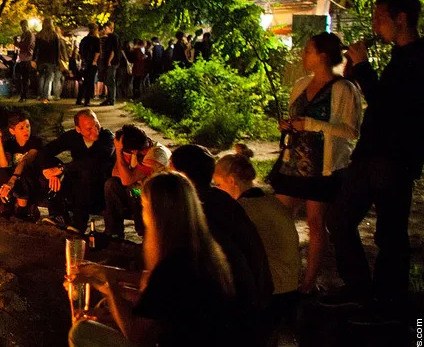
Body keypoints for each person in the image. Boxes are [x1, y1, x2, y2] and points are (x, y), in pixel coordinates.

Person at [70, 171, 235, 347]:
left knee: (82, 334)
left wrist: (109, 286)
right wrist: (106, 285)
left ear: (158, 213)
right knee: (99, 313)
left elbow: (135, 333)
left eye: (144, 205)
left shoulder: (173, 267)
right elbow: (153, 295)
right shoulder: (198, 248)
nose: (141, 211)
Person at [326, 0, 424, 315]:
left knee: (390, 232)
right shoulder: (400, 56)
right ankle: (360, 289)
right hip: (372, 154)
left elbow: (389, 106)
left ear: (401, 19)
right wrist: (356, 66)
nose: (374, 25)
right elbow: (373, 94)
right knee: (340, 218)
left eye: (378, 18)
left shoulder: (421, 58)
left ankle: (388, 301)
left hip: (395, 158)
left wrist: (367, 67)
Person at [269, 32, 363, 294]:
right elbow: (295, 117)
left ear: (323, 56)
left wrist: (310, 125)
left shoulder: (344, 88)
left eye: (308, 51)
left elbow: (350, 130)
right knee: (278, 218)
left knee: (315, 222)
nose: (303, 55)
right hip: (293, 163)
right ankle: (281, 274)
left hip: (324, 167)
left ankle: (308, 283)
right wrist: (288, 126)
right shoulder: (301, 85)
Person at [170, 145, 273, 314]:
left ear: (181, 176)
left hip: (236, 308)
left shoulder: (197, 210)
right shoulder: (223, 199)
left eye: (170, 171)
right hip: (257, 298)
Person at [214, 153, 301, 298]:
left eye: (218, 184)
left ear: (231, 181)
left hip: (273, 290)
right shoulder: (271, 201)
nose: (218, 189)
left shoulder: (243, 209)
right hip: (289, 283)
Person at [39, 108, 115, 232]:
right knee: (49, 176)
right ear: (78, 129)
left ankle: (79, 223)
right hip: (75, 181)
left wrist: (62, 168)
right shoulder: (73, 137)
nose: (95, 131)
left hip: (98, 187)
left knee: (84, 174)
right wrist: (51, 172)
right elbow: (46, 151)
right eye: (89, 129)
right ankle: (58, 215)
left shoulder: (107, 138)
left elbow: (94, 161)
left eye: (96, 124)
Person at [102, 124, 171, 237]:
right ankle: (114, 232)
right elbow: (115, 174)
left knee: (133, 190)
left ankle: (145, 233)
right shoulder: (135, 150)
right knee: (111, 184)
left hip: (154, 196)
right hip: (137, 191)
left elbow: (127, 181)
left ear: (133, 150)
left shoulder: (157, 154)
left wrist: (119, 151)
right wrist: (122, 155)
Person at [0, 111, 43, 221]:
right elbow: (4, 164)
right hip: (16, 178)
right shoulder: (11, 143)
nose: (26, 130)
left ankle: (22, 210)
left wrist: (12, 180)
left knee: (23, 176)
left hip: (32, 178)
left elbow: (25, 161)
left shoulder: (35, 142)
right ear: (12, 131)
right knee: (1, 173)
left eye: (28, 126)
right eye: (21, 128)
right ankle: (7, 205)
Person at [34, 18, 59, 102]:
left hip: (41, 59)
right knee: (49, 78)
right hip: (51, 60)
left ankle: (40, 95)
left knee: (41, 77)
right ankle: (46, 96)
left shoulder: (39, 35)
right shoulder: (54, 35)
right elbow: (57, 50)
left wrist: (34, 59)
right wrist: (56, 61)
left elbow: (36, 48)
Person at [97, 22, 121, 106]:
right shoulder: (114, 37)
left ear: (109, 28)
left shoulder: (112, 37)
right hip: (113, 61)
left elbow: (113, 50)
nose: (104, 30)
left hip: (111, 62)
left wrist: (109, 60)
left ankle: (111, 99)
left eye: (105, 28)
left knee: (110, 80)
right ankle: (109, 98)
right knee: (109, 80)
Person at [77, 23, 99, 106]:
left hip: (85, 62)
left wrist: (83, 59)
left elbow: (80, 52)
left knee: (84, 81)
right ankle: (87, 100)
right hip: (92, 62)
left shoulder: (84, 40)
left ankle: (79, 99)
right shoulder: (96, 40)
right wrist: (94, 61)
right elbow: (97, 52)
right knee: (90, 82)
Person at [15, 20, 36, 101]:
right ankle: (23, 95)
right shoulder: (24, 34)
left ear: (27, 25)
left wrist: (18, 43)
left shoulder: (29, 34)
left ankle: (25, 95)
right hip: (23, 58)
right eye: (21, 26)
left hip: (28, 58)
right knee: (23, 78)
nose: (22, 28)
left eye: (23, 26)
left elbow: (26, 45)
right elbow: (21, 45)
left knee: (26, 78)